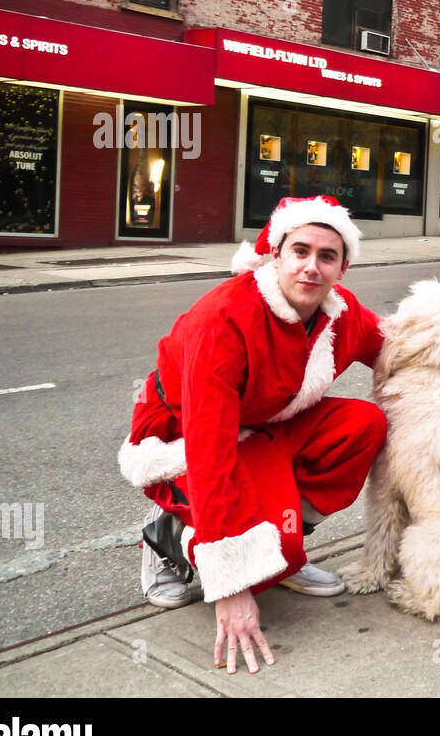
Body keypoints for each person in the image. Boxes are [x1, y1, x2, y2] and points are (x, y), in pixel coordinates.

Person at [118, 196, 388, 675]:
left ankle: (285, 547)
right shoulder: (223, 319)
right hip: (184, 435)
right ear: (277, 254)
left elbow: (399, 343)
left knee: (363, 424)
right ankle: (167, 534)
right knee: (244, 528)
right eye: (300, 251)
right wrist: (231, 587)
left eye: (326, 256)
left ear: (343, 268)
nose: (311, 267)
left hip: (266, 425)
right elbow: (209, 452)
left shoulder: (340, 313)